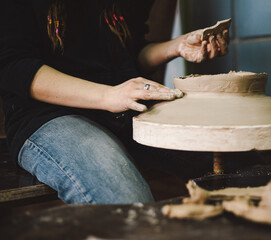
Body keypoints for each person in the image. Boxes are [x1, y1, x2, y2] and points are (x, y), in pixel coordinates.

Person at [0, 0, 230, 204]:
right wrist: (108, 96)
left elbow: (129, 54)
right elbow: (12, 65)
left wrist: (176, 46)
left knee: (236, 158)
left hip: (123, 105)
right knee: (128, 203)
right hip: (50, 114)